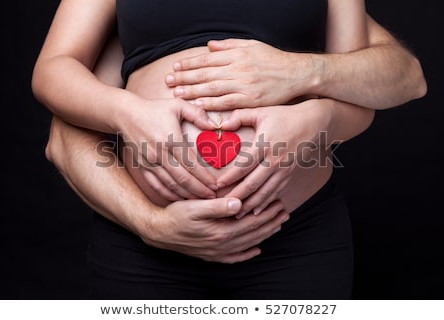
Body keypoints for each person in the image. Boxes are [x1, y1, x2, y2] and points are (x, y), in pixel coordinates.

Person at [32, 0, 426, 299]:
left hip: (295, 237)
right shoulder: (118, 29)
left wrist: (317, 119)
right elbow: (54, 69)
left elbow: (357, 93)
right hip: (141, 248)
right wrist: (129, 114)